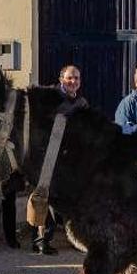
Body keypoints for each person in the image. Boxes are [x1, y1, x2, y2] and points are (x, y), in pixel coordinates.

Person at [32, 65, 90, 255]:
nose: (73, 82)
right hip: (49, 154)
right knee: (45, 197)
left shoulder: (81, 102)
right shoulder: (50, 98)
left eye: (77, 78)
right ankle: (41, 240)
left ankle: (76, 238)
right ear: (61, 79)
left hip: (71, 157)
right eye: (70, 78)